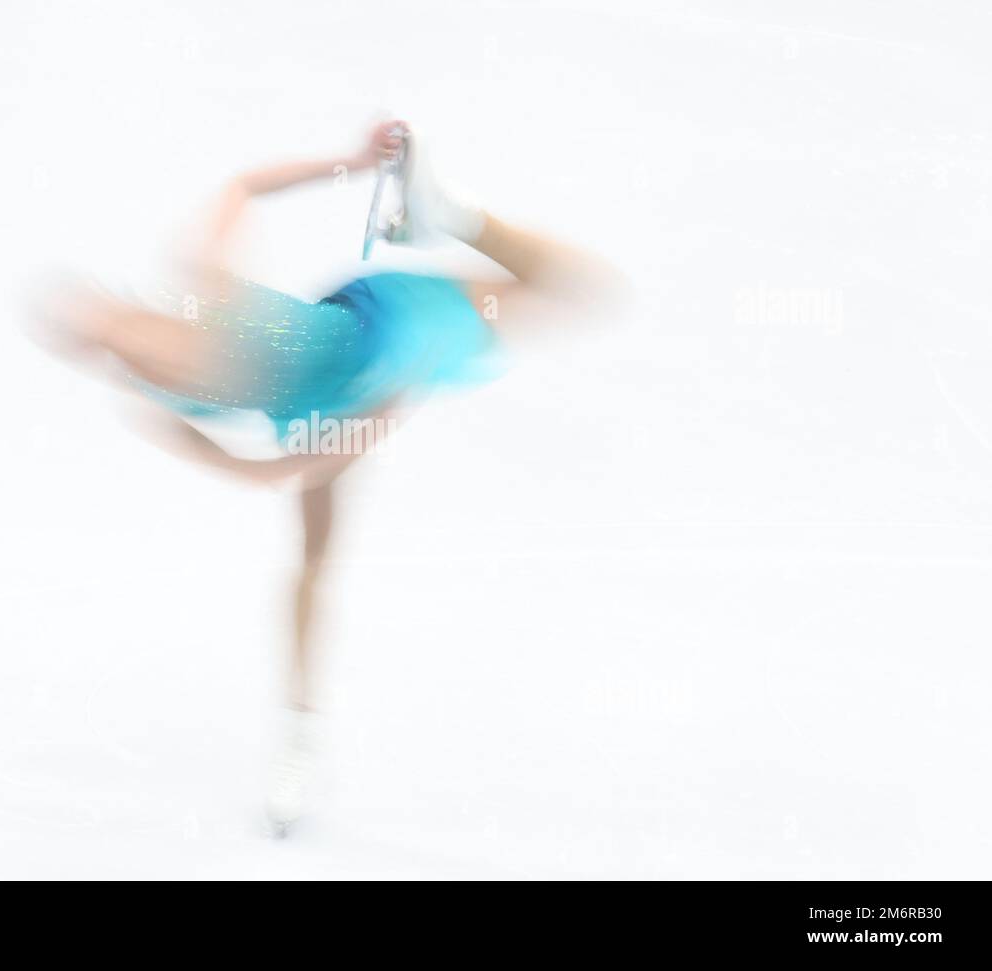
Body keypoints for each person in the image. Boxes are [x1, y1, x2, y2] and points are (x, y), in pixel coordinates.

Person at [32, 121, 618, 834]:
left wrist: (348, 163)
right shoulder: (152, 395)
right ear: (97, 352)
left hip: (381, 335)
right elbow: (254, 473)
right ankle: (299, 739)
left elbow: (243, 187)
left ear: (117, 297)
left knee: (574, 288)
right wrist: (350, 435)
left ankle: (452, 214)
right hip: (331, 413)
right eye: (95, 334)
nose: (114, 329)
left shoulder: (198, 286)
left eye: (105, 311)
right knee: (311, 565)